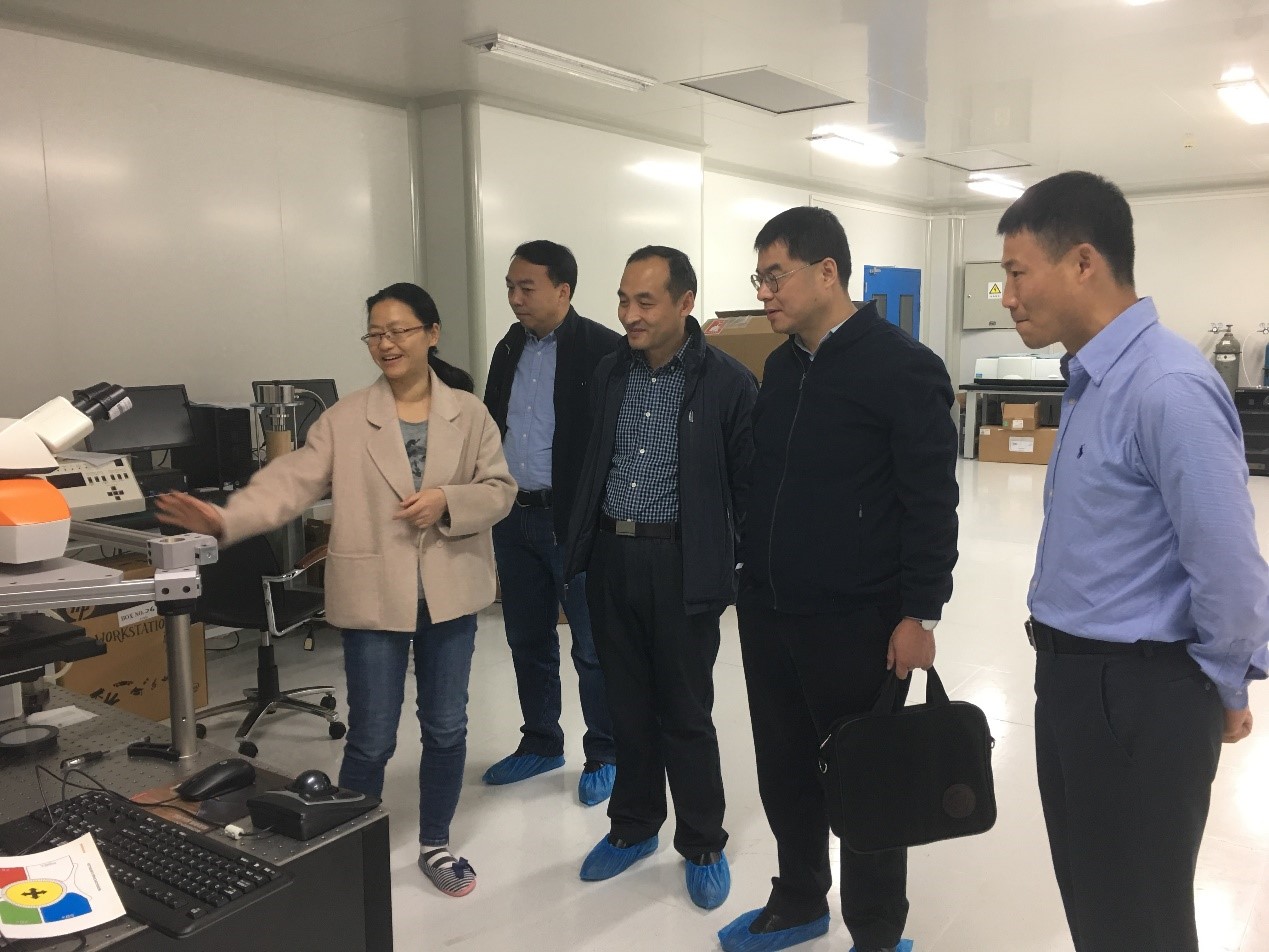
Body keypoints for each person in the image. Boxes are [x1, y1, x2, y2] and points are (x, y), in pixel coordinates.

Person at [155, 282, 516, 899]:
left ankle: (435, 842)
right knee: (371, 736)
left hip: (450, 595)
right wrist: (225, 519)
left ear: (431, 334)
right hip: (374, 595)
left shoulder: (470, 413)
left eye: (399, 330)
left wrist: (447, 500)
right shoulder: (345, 419)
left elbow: (500, 490)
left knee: (446, 727)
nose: (386, 343)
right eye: (375, 333)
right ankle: (353, 849)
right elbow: (290, 483)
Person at [994, 170, 1269, 951]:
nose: (1006, 297)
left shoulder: (1167, 387)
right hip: (1075, 685)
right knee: (1097, 907)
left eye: (1017, 273)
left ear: (1082, 262)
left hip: (1140, 697)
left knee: (1138, 921)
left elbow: (1230, 571)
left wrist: (1221, 684)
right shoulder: (1091, 378)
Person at [719, 206, 959, 952]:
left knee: (867, 780)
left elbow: (931, 501)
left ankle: (877, 932)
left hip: (858, 620)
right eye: (759, 278)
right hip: (770, 610)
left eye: (775, 276)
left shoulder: (902, 366)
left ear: (827, 272)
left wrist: (920, 613)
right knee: (784, 768)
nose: (764, 293)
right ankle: (799, 899)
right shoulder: (782, 367)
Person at [565, 245, 756, 910]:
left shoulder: (727, 382)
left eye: (645, 301)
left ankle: (702, 842)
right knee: (626, 705)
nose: (629, 314)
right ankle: (632, 827)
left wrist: (730, 567)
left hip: (682, 565)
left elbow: (749, 489)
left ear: (684, 302)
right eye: (623, 299)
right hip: (612, 557)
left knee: (685, 713)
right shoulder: (609, 372)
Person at [482, 240, 622, 805]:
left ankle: (606, 752)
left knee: (592, 645)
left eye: (527, 287)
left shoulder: (604, 349)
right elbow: (492, 423)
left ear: (563, 290)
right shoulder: (508, 346)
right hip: (513, 515)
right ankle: (541, 742)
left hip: (575, 522)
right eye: (510, 288)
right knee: (526, 636)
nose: (515, 298)